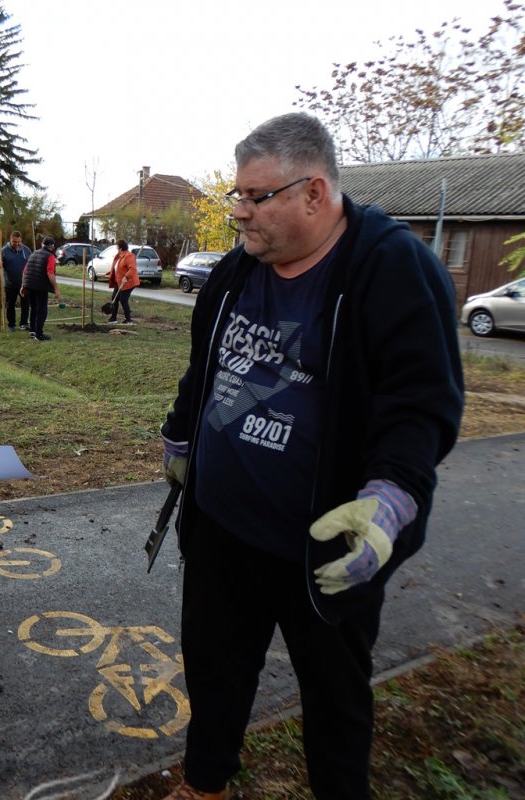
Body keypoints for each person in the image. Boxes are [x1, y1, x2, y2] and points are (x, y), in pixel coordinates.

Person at [159, 112, 464, 800]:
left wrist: (392, 498)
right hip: (222, 531)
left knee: (335, 696)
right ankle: (205, 782)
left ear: (315, 193)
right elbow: (204, 368)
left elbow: (420, 404)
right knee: (214, 668)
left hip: (326, 543)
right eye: (235, 195)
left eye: (254, 196)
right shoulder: (235, 273)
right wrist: (181, 437)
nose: (238, 212)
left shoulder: (392, 269)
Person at [21, 236, 60, 341]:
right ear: (52, 247)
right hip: (41, 286)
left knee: (33, 308)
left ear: (42, 245)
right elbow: (50, 272)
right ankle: (39, 334)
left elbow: (25, 271)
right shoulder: (50, 256)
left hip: (30, 285)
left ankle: (32, 331)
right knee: (42, 310)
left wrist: (23, 286)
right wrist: (56, 288)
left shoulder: (34, 253)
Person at [0, 230, 32, 332]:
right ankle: (11, 325)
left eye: (18, 242)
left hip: (24, 283)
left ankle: (24, 323)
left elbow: (31, 262)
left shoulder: (26, 250)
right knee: (10, 305)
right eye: (14, 242)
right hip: (10, 284)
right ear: (10, 240)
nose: (16, 244)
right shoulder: (3, 250)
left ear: (21, 240)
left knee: (25, 304)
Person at [106, 239, 139, 325]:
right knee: (114, 298)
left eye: (117, 246)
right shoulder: (119, 256)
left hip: (129, 282)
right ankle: (113, 318)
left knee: (123, 300)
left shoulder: (129, 256)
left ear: (120, 248)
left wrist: (126, 276)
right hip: (119, 282)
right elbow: (118, 268)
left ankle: (128, 320)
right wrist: (109, 273)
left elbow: (133, 269)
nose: (116, 248)